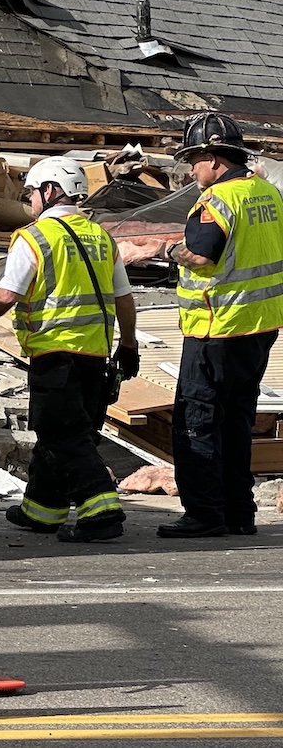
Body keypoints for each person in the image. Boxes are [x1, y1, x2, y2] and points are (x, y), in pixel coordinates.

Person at [0, 157, 138, 543]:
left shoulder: (35, 238)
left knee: (64, 435)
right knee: (62, 432)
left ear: (50, 191)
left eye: (32, 192)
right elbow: (124, 298)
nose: (30, 200)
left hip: (55, 354)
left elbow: (6, 295)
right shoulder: (102, 238)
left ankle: (102, 511)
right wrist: (129, 345)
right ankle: (41, 509)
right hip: (95, 356)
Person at [156, 113, 283, 538]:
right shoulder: (267, 192)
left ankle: (205, 514)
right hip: (259, 327)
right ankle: (238, 512)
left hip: (216, 328)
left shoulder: (216, 201)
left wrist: (167, 250)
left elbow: (201, 256)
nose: (192, 171)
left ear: (213, 159)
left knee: (197, 420)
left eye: (194, 161)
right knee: (236, 422)